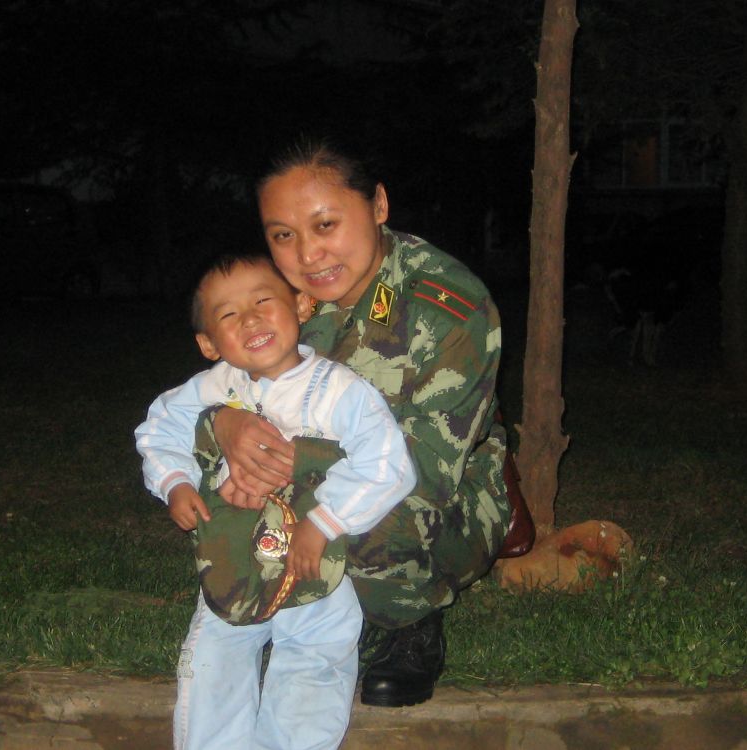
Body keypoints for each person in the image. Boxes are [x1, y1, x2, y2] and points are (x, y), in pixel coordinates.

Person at [197, 135, 513, 707]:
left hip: (440, 498)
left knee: (367, 517)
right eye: (283, 236)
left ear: (379, 205)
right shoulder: (282, 299)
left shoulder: (448, 307)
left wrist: (292, 464)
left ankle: (407, 623)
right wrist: (225, 424)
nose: (308, 255)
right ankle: (298, 603)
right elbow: (226, 382)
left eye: (325, 225)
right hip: (311, 470)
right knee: (216, 481)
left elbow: (423, 474)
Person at [135, 252, 417, 750]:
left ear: (301, 305)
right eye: (228, 314)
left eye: (264, 301)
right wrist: (175, 481)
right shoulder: (214, 386)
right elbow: (160, 426)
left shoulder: (339, 390)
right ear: (208, 343)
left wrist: (324, 521)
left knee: (315, 662)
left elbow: (386, 462)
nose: (250, 319)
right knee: (215, 660)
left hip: (317, 560)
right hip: (235, 558)